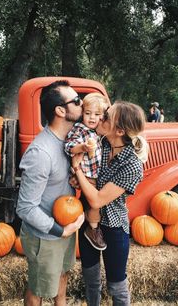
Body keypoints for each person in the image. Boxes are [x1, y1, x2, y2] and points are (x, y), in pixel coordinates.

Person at [71, 101, 149, 306]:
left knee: (116, 284)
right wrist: (77, 178)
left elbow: (97, 198)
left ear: (120, 130)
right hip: (88, 219)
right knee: (90, 278)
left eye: (106, 116)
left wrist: (77, 171)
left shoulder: (132, 165)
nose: (100, 118)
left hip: (113, 226)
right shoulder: (100, 143)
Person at [16, 80, 85, 306]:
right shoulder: (40, 153)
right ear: (60, 111)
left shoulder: (68, 142)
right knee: (39, 289)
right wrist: (61, 230)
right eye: (76, 100)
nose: (81, 103)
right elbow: (25, 207)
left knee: (62, 276)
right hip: (45, 236)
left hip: (64, 229)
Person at [65, 92, 109, 251]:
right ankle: (93, 229)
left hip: (95, 173)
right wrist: (82, 147)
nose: (92, 118)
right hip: (87, 175)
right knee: (94, 202)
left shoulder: (97, 130)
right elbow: (69, 147)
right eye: (88, 113)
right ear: (82, 113)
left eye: (97, 114)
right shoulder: (80, 129)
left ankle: (95, 224)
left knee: (96, 202)